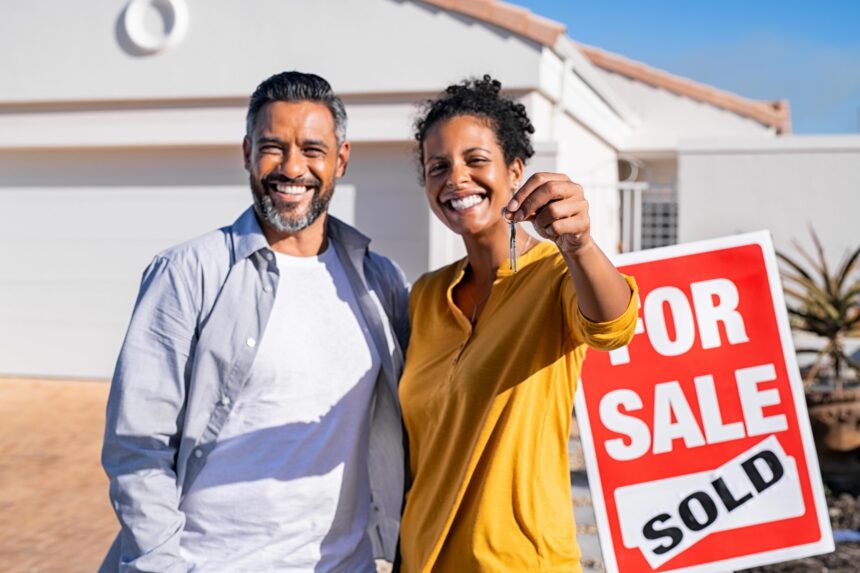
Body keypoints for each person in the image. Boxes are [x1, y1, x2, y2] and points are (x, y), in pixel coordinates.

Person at [100, 71, 409, 572]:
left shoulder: (380, 282)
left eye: (312, 149)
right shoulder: (187, 274)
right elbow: (138, 446)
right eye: (273, 147)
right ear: (247, 152)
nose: (292, 168)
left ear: (341, 160)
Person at [397, 75, 639, 572]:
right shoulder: (424, 296)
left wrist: (579, 245)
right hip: (424, 559)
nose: (456, 178)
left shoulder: (555, 276)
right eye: (437, 167)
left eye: (475, 160)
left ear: (515, 170)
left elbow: (614, 324)